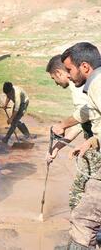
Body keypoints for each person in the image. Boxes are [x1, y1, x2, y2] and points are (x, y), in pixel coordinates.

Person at [51, 42, 101, 249]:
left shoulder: (98, 85)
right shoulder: (94, 85)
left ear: (85, 67)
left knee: (83, 219)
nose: (69, 75)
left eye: (70, 70)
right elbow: (87, 112)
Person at [46, 54, 100, 210]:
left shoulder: (77, 87)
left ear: (59, 72)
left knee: (79, 193)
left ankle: (80, 229)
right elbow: (80, 124)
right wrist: (57, 148)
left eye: (53, 78)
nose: (56, 83)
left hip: (96, 143)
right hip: (93, 140)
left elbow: (86, 114)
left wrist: (62, 125)